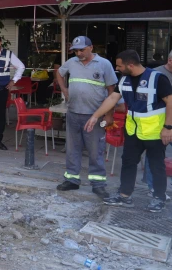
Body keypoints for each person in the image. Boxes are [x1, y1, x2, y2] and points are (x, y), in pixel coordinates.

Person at [85, 49, 172, 212]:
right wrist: (96, 116)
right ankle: (124, 196)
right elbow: (112, 98)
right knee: (128, 163)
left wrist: (168, 127)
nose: (117, 69)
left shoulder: (157, 79)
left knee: (156, 166)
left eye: (119, 66)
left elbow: (170, 102)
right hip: (133, 132)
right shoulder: (124, 79)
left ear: (130, 65)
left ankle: (159, 198)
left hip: (155, 132)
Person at [55, 36, 116, 198]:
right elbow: (59, 74)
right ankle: (72, 180)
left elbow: (112, 91)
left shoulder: (104, 64)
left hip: (94, 115)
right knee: (72, 149)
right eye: (76, 50)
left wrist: (109, 115)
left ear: (91, 47)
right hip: (74, 113)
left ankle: (98, 184)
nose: (79, 53)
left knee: (96, 150)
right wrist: (65, 90)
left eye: (82, 49)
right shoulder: (71, 62)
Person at [143, 49, 172, 199]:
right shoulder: (154, 75)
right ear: (170, 60)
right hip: (160, 122)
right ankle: (153, 188)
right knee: (154, 156)